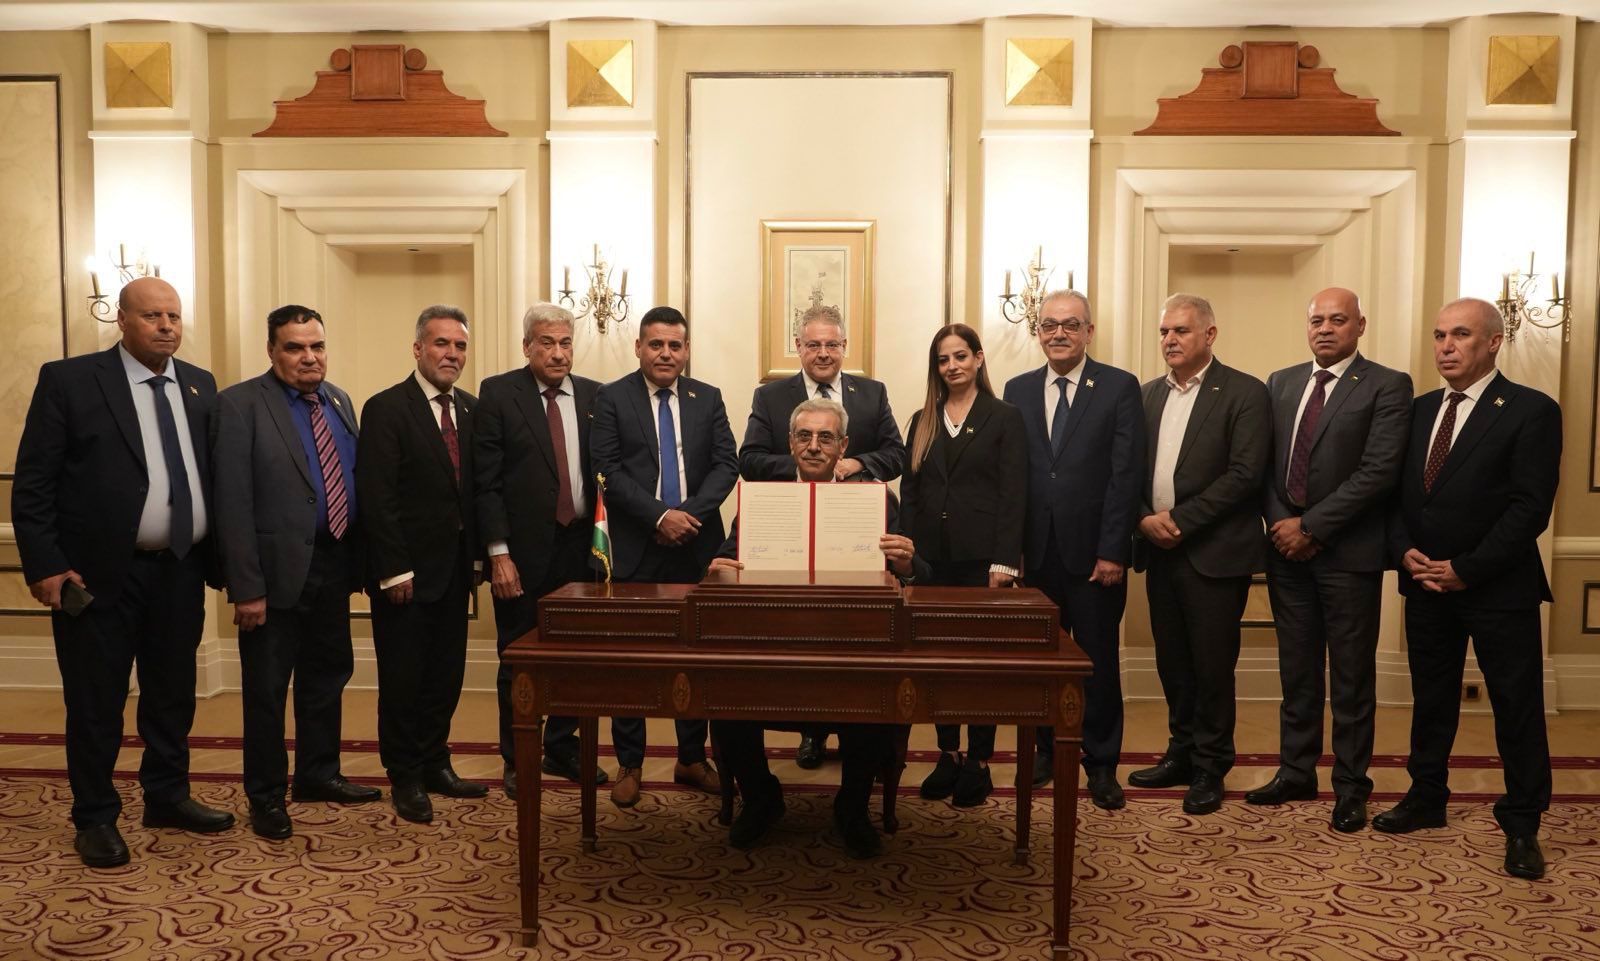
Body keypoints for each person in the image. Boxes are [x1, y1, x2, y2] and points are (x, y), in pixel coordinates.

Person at [14, 276, 234, 867]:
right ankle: (94, 817)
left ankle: (167, 796)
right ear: (122, 319)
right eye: (153, 316)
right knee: (96, 702)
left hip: (180, 571)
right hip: (96, 576)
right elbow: (33, 483)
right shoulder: (71, 380)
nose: (166, 326)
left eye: (174, 316)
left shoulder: (199, 384)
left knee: (172, 695)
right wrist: (46, 565)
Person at [1375, 297, 1561, 880]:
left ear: (1493, 342)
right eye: (1439, 335)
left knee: (1516, 707)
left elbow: (1529, 508)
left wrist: (1467, 568)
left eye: (1460, 335)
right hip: (1425, 583)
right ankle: (1426, 797)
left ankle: (1522, 824)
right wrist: (1402, 549)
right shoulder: (1420, 409)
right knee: (1431, 701)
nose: (1446, 346)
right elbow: (1397, 495)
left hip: (1498, 588)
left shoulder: (1531, 409)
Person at [708, 397, 925, 858]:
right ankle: (762, 798)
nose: (813, 446)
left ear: (843, 446)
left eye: (825, 437)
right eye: (804, 436)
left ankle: (852, 807)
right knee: (723, 697)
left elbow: (913, 573)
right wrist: (720, 570)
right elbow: (726, 561)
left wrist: (906, 564)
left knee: (878, 696)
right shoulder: (761, 499)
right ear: (790, 443)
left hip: (849, 648)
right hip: (772, 647)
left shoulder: (876, 500)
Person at [1246, 288, 1411, 834]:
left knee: (1350, 679)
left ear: (1360, 325)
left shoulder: (1387, 384)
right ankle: (1295, 771)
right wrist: (1281, 525)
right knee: (1297, 672)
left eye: (1337, 320)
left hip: (1348, 556)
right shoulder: (1281, 382)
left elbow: (1379, 471)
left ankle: (1351, 786)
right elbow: (1265, 467)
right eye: (1316, 320)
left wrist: (1311, 527)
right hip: (1285, 554)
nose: (1324, 329)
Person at [213, 305, 381, 840]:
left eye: (317, 346)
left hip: (333, 565)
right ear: (271, 351)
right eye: (295, 347)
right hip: (272, 575)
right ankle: (265, 795)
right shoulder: (239, 404)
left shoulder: (338, 400)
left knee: (327, 676)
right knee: (267, 691)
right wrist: (246, 587)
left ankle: (318, 773)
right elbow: (232, 504)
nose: (309, 357)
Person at [739, 304, 906, 769]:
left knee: (848, 637)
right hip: (786, 530)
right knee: (801, 636)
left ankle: (855, 736)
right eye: (813, 344)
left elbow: (896, 454)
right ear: (798, 347)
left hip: (853, 530)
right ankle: (811, 732)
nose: (823, 353)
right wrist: (808, 464)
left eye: (832, 344)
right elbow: (749, 460)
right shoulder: (771, 397)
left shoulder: (871, 394)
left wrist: (854, 464)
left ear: (844, 346)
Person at [1127, 293, 1270, 816]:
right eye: (1164, 331)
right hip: (1159, 551)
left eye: (1181, 331)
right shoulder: (1146, 395)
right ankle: (1181, 752)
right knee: (1173, 662)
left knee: (1211, 666)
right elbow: (1127, 471)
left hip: (1215, 554)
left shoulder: (1245, 392)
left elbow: (1245, 474)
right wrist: (1143, 517)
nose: (1170, 340)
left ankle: (1212, 764)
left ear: (1209, 334)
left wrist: (1180, 521)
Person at [1002, 290, 1144, 808]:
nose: (1058, 333)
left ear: (1089, 331)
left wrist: (1113, 550)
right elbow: (1012, 478)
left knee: (1097, 664)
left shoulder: (1118, 386)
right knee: (1040, 663)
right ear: (1037, 331)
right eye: (1049, 325)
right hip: (1036, 555)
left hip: (1094, 556)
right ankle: (1045, 751)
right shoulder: (1016, 390)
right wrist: (1011, 552)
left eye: (1070, 324)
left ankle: (1101, 764)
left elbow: (1126, 475)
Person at [590, 305, 736, 807]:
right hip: (636, 546)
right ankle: (630, 763)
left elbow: (726, 464)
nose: (666, 354)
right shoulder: (612, 398)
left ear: (686, 350)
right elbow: (606, 468)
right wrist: (659, 516)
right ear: (639, 347)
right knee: (630, 660)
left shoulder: (707, 397)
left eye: (675, 345)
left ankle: (691, 758)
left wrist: (685, 516)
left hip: (696, 545)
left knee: (695, 657)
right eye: (656, 344)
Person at [357, 305, 487, 824]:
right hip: (405, 576)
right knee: (404, 680)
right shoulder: (386, 408)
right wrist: (394, 569)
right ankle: (405, 775)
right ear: (418, 349)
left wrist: (478, 559)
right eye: (441, 343)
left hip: (455, 573)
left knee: (445, 675)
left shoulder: (472, 410)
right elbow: (377, 496)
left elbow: (473, 494)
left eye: (459, 346)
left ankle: (435, 762)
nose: (451, 354)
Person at [474, 303, 609, 799]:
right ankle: (518, 756)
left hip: (581, 550)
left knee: (577, 657)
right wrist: (498, 554)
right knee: (518, 658)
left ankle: (561, 745)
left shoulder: (595, 395)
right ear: (527, 346)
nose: (558, 353)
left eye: (565, 343)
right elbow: (486, 483)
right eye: (547, 343)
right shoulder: (498, 393)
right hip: (522, 553)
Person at [900, 323, 1026, 808]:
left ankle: (978, 761)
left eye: (959, 356)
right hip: (932, 563)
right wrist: (908, 557)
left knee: (979, 665)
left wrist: (1005, 561)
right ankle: (948, 754)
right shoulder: (923, 420)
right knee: (939, 663)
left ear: (978, 359)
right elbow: (911, 494)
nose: (951, 366)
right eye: (942, 359)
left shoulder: (1004, 417)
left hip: (983, 562)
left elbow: (1014, 494)